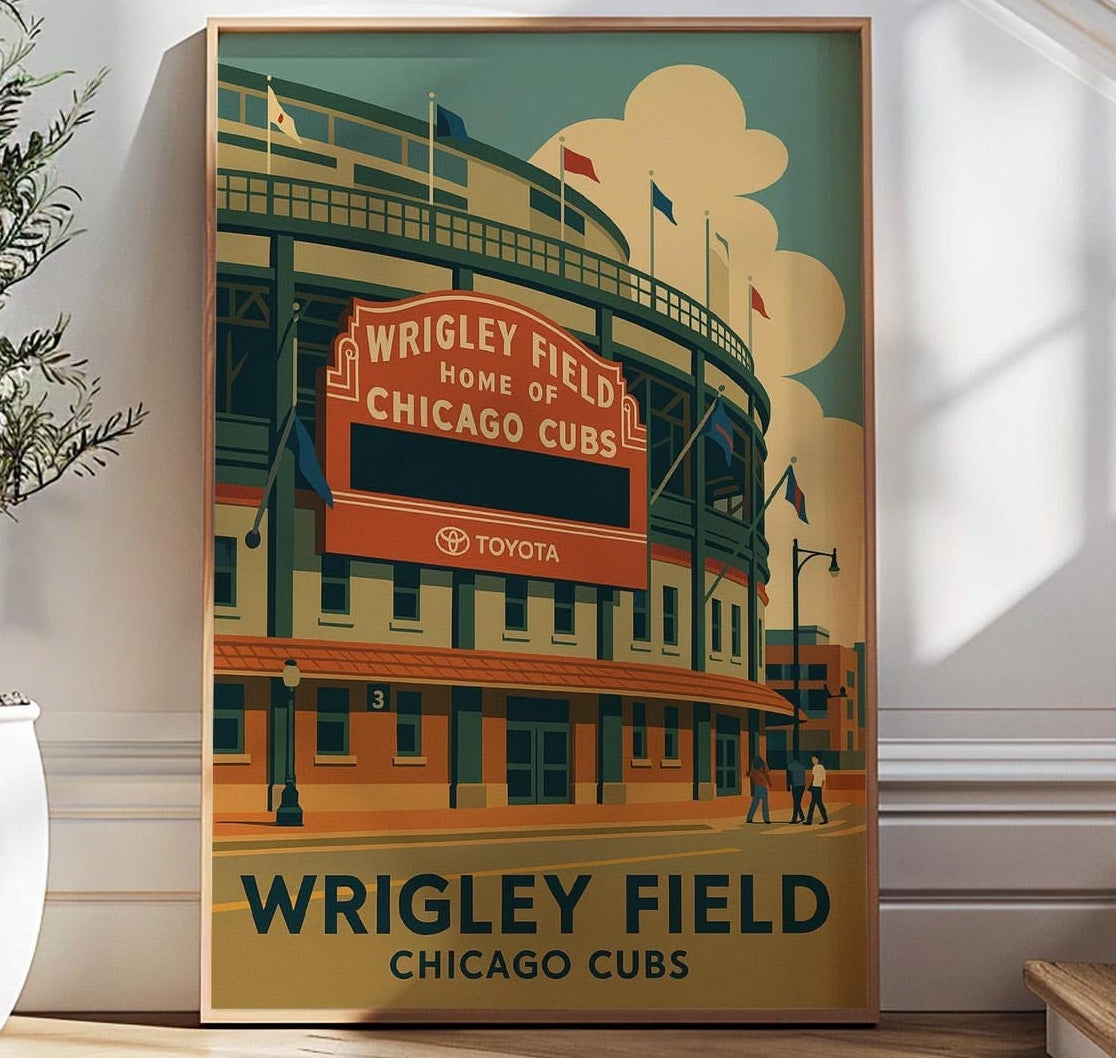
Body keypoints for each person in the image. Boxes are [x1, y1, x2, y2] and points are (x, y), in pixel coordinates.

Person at [745, 756, 772, 824]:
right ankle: (766, 819)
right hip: (763, 787)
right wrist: (769, 783)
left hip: (757, 787)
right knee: (765, 803)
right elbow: (767, 772)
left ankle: (749, 818)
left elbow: (748, 774)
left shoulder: (754, 771)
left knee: (754, 803)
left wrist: (751, 766)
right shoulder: (762, 770)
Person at [805, 754, 828, 825]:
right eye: (812, 760)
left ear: (818, 759)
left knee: (816, 804)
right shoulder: (814, 767)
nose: (813, 761)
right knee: (817, 804)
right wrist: (810, 786)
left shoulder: (821, 767)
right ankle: (824, 819)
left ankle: (810, 821)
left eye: (814, 759)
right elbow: (813, 778)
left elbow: (824, 778)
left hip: (818, 788)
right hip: (814, 787)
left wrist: (824, 787)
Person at [785, 756, 807, 823]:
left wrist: (788, 786)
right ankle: (801, 816)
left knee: (796, 802)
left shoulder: (790, 766)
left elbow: (789, 777)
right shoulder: (802, 767)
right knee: (797, 802)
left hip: (795, 786)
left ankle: (794, 818)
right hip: (802, 786)